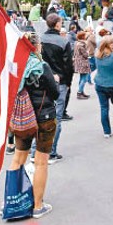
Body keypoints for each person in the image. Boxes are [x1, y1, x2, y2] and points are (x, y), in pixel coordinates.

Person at [7, 33, 59, 219]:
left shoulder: (16, 66)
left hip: (22, 118)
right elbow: (54, 92)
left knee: (17, 159)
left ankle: (10, 201)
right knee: (41, 161)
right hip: (44, 117)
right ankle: (38, 205)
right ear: (36, 47)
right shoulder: (41, 66)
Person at [41, 13, 74, 164]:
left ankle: (38, 150)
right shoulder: (63, 41)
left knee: (41, 114)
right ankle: (51, 151)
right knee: (57, 117)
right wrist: (68, 81)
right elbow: (68, 66)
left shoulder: (40, 39)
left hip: (42, 80)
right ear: (58, 24)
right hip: (59, 81)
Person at [73, 31, 90, 99]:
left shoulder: (77, 43)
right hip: (83, 63)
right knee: (84, 78)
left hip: (79, 62)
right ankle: (79, 92)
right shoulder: (82, 45)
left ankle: (81, 91)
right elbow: (85, 55)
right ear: (83, 36)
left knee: (81, 77)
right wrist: (88, 52)